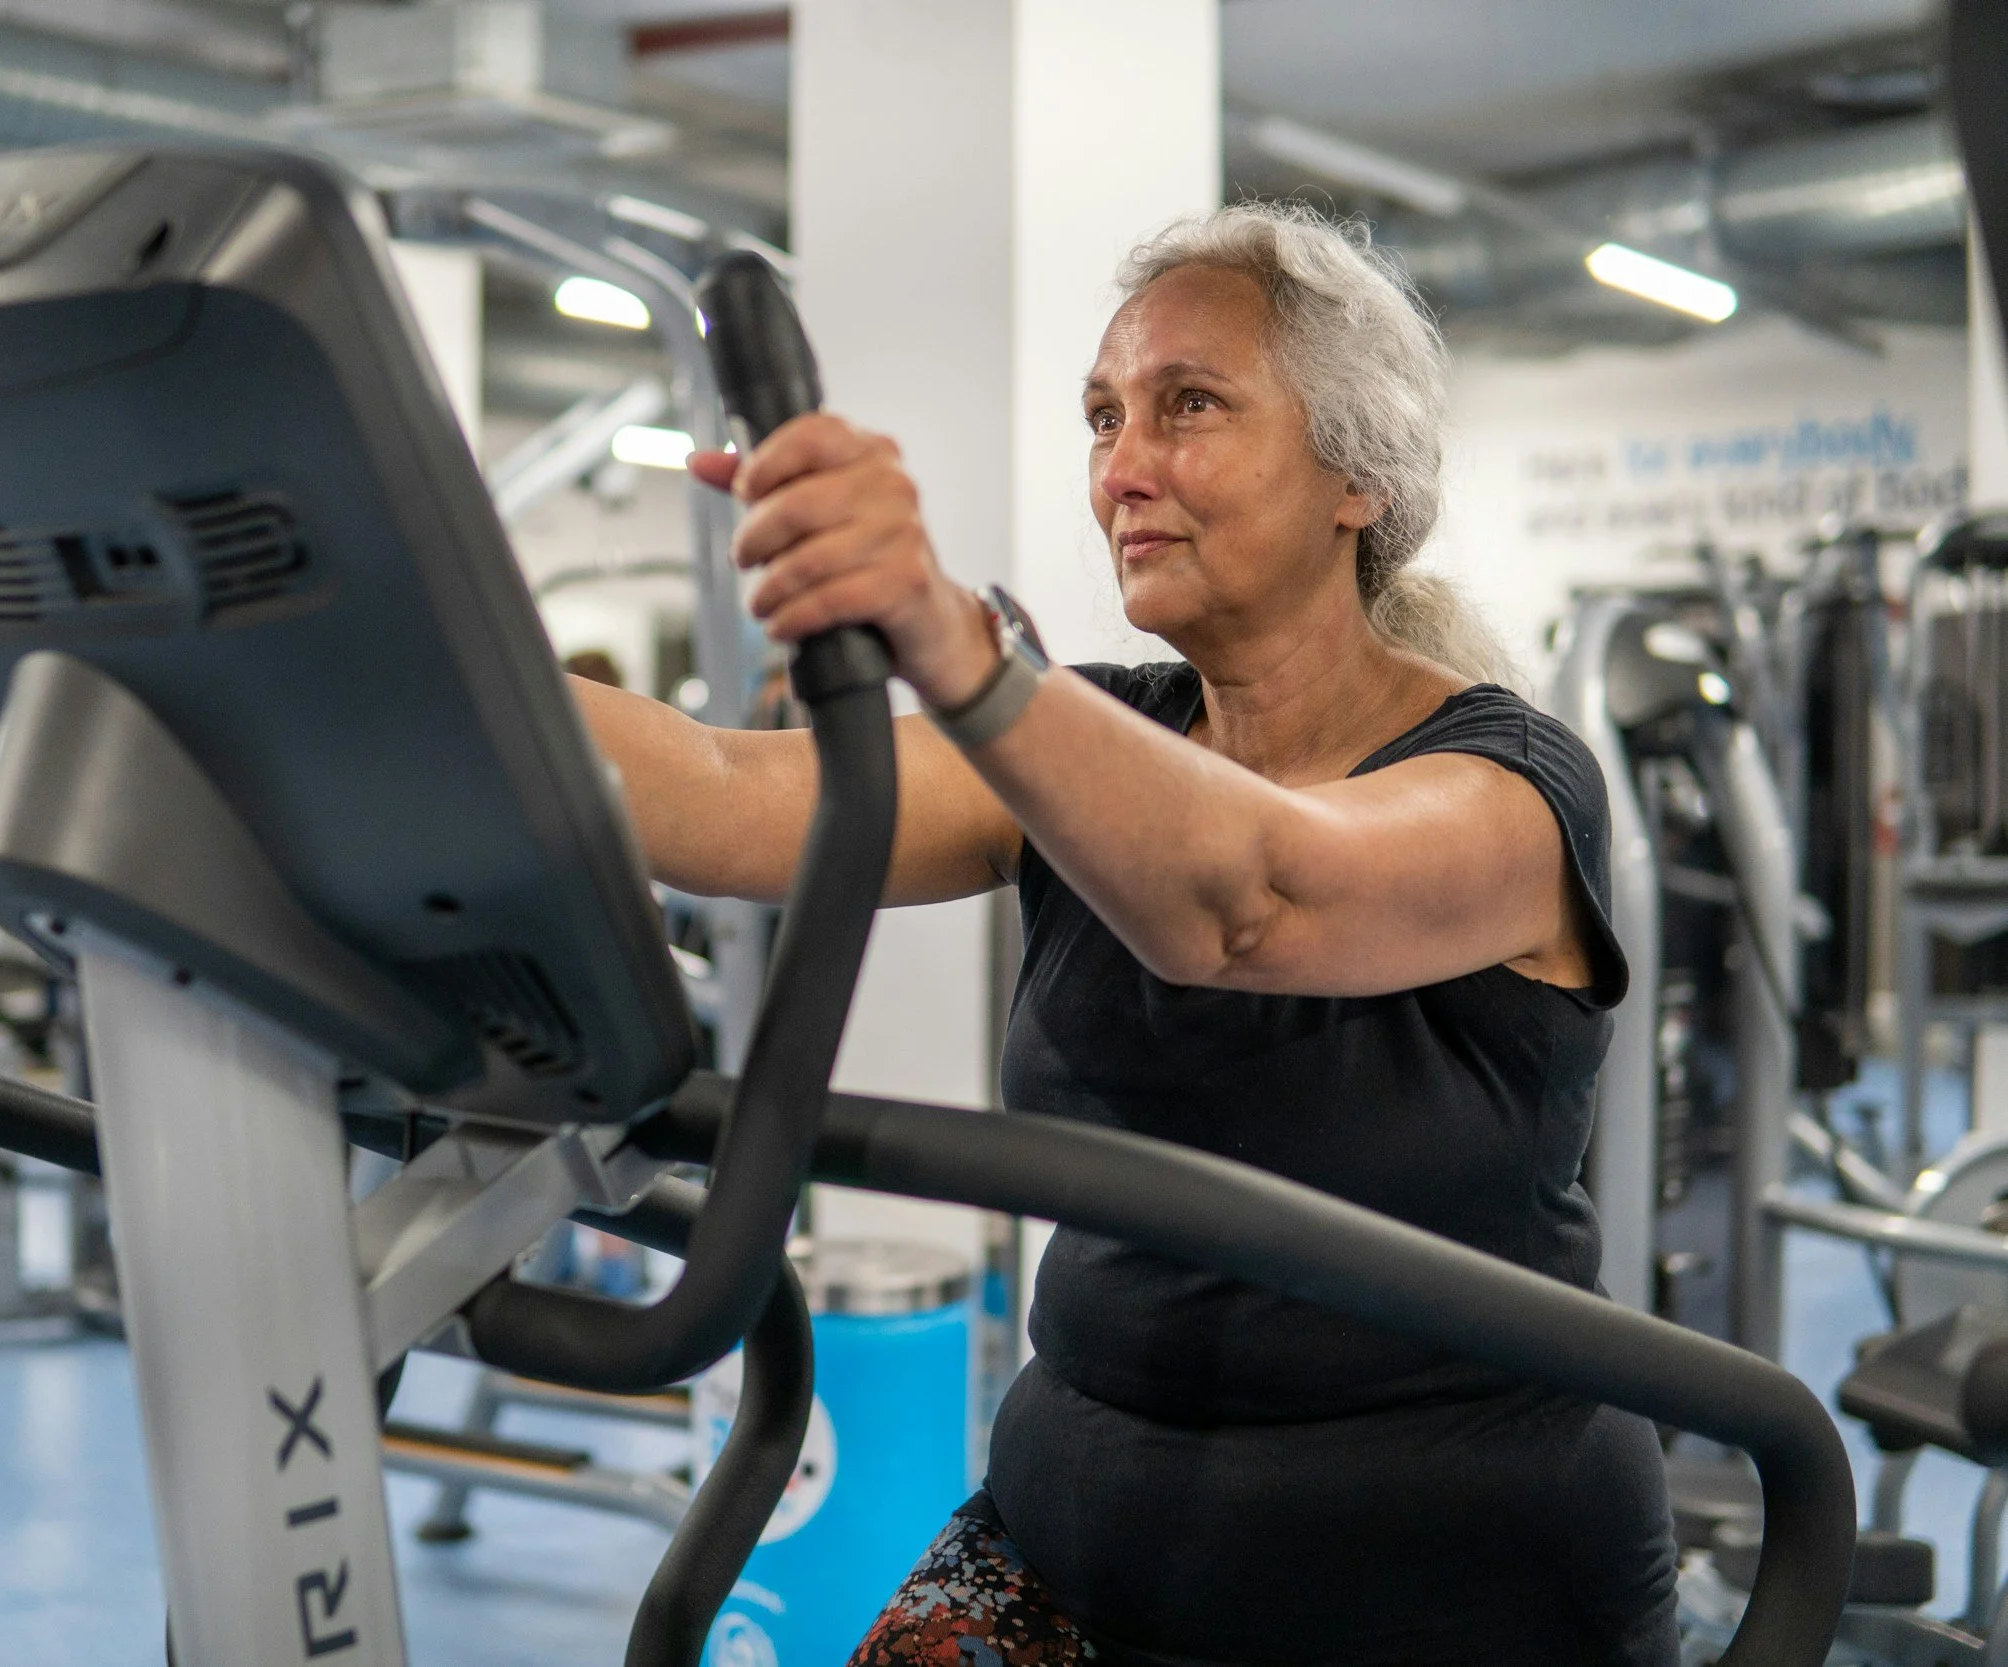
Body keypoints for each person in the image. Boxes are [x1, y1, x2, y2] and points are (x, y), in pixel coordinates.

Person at [573, 199, 1679, 1666]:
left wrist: (952, 636)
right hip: (1070, 1546)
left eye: (1189, 407)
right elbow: (716, 791)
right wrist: (403, 650)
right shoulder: (1087, 743)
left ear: (1356, 472)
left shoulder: (1513, 786)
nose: (1124, 469)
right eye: (1104, 417)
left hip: (1437, 1589)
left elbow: (1249, 900)